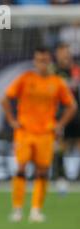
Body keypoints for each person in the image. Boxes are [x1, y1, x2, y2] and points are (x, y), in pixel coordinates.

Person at [1, 47, 77, 223]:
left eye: (45, 60)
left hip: (46, 133)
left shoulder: (57, 82)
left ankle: (36, 210)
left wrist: (60, 125)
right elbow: (4, 98)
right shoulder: (25, 79)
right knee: (21, 168)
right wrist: (12, 120)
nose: (42, 64)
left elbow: (71, 106)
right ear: (35, 61)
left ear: (49, 62)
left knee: (42, 171)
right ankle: (17, 209)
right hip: (25, 132)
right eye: (39, 60)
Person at [53, 43, 80, 194]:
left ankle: (76, 176)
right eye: (61, 53)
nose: (64, 55)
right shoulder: (53, 71)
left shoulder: (76, 69)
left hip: (76, 111)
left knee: (78, 143)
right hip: (60, 112)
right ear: (57, 55)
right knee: (59, 145)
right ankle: (60, 176)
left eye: (66, 52)